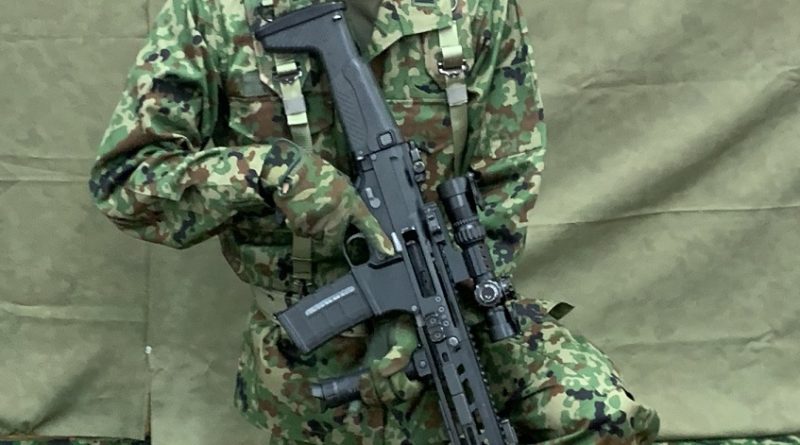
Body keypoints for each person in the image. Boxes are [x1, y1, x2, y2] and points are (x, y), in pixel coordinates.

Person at [88, 0, 660, 443]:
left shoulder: (473, 8)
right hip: (314, 359)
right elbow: (126, 183)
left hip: (456, 320)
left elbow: (505, 183)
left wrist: (422, 312)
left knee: (605, 416)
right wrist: (275, 174)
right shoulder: (216, 12)